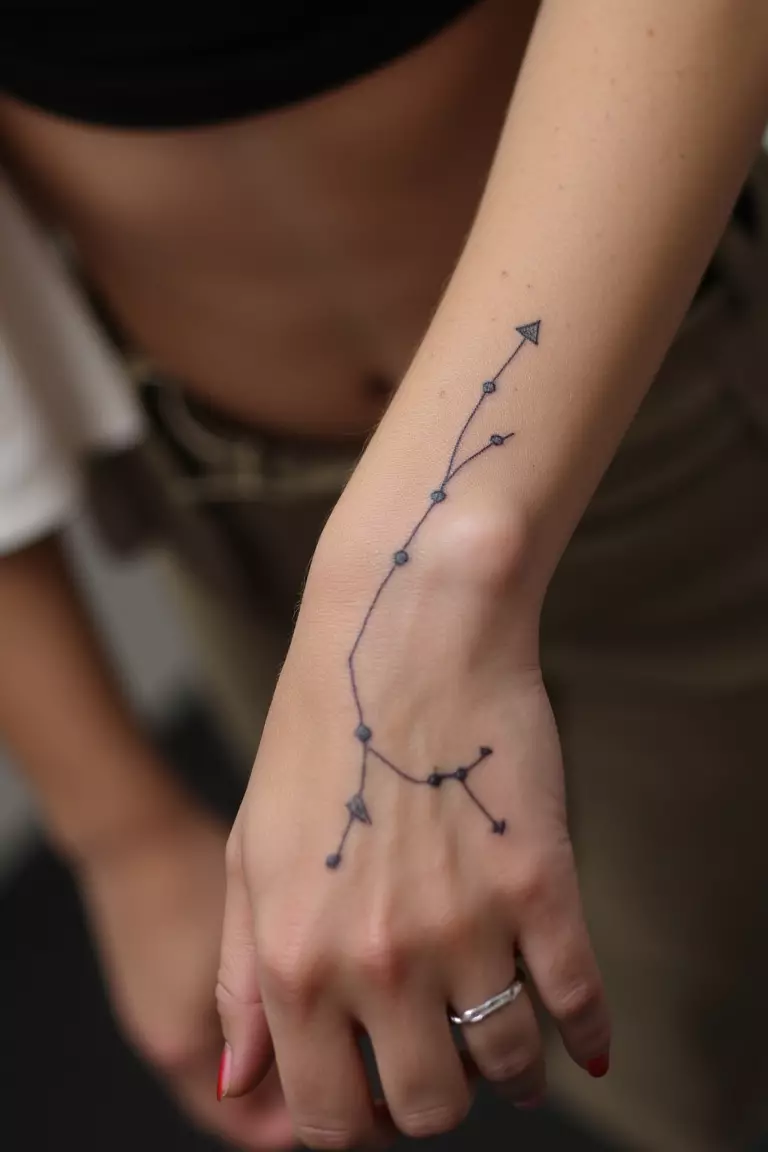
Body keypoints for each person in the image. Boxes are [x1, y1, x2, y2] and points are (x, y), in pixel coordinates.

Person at [2, 2, 768, 1149]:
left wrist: (429, 566)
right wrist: (120, 830)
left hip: (665, 442)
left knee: (705, 1030)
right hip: (240, 529)